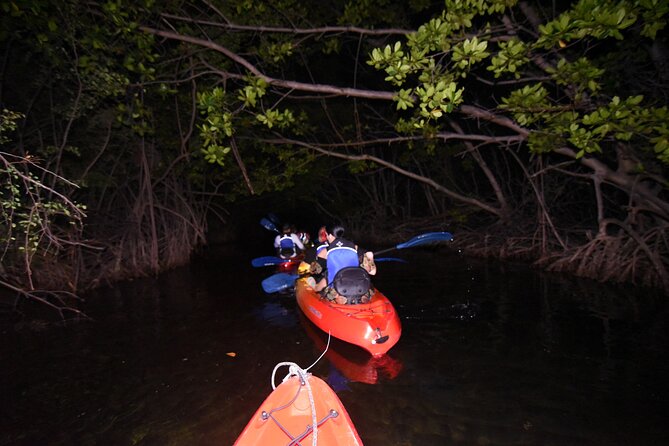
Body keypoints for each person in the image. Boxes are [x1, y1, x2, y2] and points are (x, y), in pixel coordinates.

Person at [315, 224, 376, 304]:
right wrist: (370, 257)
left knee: (322, 282)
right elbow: (372, 272)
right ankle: (359, 298)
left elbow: (316, 270)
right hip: (358, 287)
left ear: (329, 235)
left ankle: (336, 298)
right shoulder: (355, 248)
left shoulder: (324, 252)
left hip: (337, 291)